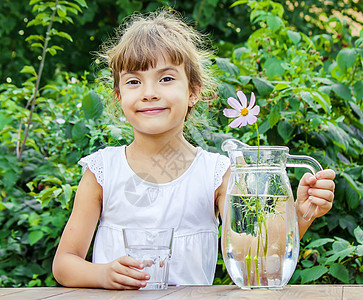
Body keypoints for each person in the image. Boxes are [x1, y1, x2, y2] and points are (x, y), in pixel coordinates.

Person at [52, 10, 336, 290]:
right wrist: (102, 275)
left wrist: (299, 216)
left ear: (193, 92)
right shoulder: (102, 171)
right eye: (134, 81)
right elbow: (64, 263)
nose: (149, 92)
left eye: (166, 79)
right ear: (119, 96)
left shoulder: (216, 174)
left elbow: (258, 260)